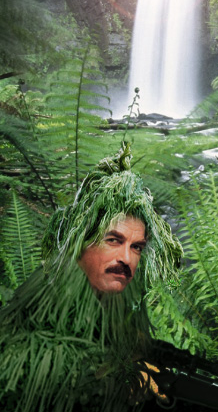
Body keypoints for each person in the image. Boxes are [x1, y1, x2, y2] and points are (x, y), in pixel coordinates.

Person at [0, 144, 183, 412]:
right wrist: (125, 384)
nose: (127, 259)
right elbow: (37, 370)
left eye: (136, 247)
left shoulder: (120, 302)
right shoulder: (50, 297)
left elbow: (131, 349)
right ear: (81, 242)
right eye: (113, 240)